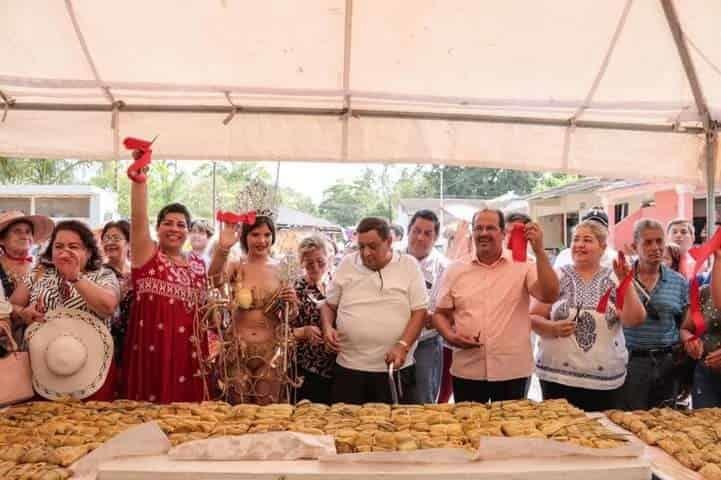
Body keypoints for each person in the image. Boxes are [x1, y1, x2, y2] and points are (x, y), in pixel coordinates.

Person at [433, 209, 559, 403]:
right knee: (470, 430)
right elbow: (440, 314)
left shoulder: (524, 264)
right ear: (472, 233)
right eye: (478, 228)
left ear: (503, 233)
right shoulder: (455, 269)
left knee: (510, 431)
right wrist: (450, 336)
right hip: (468, 370)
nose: (483, 233)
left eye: (490, 228)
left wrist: (540, 251)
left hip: (512, 371)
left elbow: (549, 294)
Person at [531, 220, 645, 411]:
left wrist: (626, 282)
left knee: (602, 435)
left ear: (602, 247)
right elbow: (533, 316)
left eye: (587, 240)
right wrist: (551, 328)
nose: (579, 245)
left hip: (604, 382)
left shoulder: (615, 277)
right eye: (575, 239)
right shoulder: (557, 275)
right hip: (557, 378)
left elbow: (634, 319)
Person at [122, 159, 208, 404]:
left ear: (188, 232)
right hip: (153, 353)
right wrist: (139, 182)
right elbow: (138, 218)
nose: (174, 228)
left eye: (181, 225)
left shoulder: (198, 265)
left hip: (189, 355)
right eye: (167, 223)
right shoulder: (147, 255)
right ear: (157, 228)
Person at [321, 217, 428, 404]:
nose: (366, 253)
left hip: (393, 370)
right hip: (349, 368)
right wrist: (327, 328)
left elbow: (419, 312)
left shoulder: (408, 265)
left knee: (396, 429)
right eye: (361, 247)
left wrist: (403, 346)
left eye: (373, 246)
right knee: (346, 428)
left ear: (389, 242)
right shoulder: (347, 264)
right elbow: (329, 305)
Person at [10, 220, 120, 400]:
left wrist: (75, 277)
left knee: (93, 425)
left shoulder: (103, 275)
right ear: (50, 251)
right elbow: (9, 309)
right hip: (41, 371)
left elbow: (108, 306)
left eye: (74, 246)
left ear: (89, 251)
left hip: (93, 374)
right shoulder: (38, 274)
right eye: (58, 246)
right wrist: (23, 313)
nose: (65, 252)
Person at [208, 207, 299, 405]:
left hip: (271, 351)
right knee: (238, 411)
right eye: (255, 234)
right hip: (237, 350)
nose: (262, 240)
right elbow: (213, 280)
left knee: (266, 413)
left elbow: (291, 315)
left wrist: (291, 301)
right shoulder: (235, 265)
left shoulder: (281, 268)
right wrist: (222, 249)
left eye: (267, 235)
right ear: (245, 236)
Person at [618, 219, 688, 410]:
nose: (655, 248)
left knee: (665, 426)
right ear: (634, 246)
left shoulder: (679, 282)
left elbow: (685, 325)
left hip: (667, 363)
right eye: (647, 242)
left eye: (659, 241)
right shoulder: (620, 279)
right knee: (629, 422)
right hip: (629, 363)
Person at [406, 209, 448, 403]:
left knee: (423, 402)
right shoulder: (392, 259)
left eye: (427, 233)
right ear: (408, 231)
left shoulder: (444, 268)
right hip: (390, 341)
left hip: (426, 345)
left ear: (436, 237)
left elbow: (440, 313)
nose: (420, 237)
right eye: (416, 231)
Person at [0, 211, 53, 355]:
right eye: (17, 231)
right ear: (2, 240)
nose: (24, 235)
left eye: (28, 232)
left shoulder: (42, 267)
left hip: (37, 344)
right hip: (4, 345)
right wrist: (20, 312)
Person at [292, 235, 336, 404]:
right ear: (302, 263)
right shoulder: (295, 289)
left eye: (321, 262)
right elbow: (281, 331)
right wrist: (304, 332)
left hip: (337, 366)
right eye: (309, 263)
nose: (316, 267)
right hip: (308, 368)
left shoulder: (336, 284)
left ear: (329, 259)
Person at [680, 247, 721, 408]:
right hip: (706, 375)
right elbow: (685, 328)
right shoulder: (704, 292)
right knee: (702, 427)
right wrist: (689, 340)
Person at [101, 220, 133, 384]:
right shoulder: (98, 273)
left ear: (128, 242)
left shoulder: (138, 272)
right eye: (106, 238)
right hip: (109, 336)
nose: (110, 242)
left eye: (116, 238)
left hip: (134, 337)